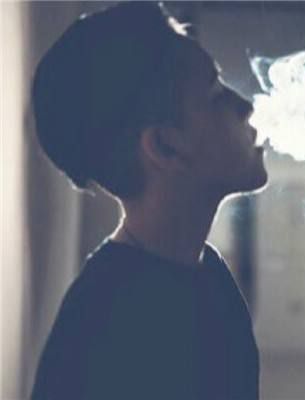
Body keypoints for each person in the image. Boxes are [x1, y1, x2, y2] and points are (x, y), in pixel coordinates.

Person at [30, 2, 268, 399]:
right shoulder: (103, 327)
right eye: (215, 94)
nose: (246, 105)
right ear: (165, 146)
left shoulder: (210, 274)